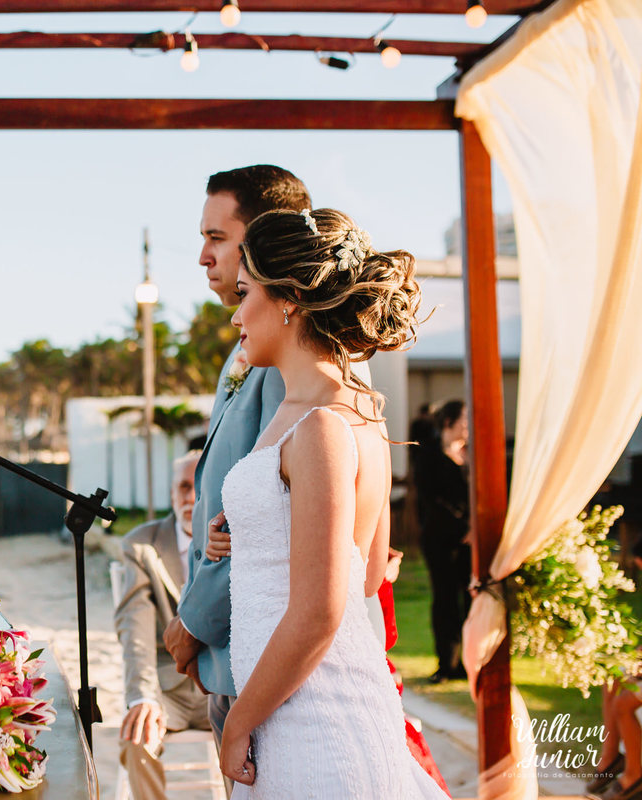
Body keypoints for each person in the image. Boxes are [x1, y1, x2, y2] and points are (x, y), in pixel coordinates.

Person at [206, 208, 447, 798]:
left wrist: (238, 724)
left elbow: (321, 611)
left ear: (287, 298)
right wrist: (251, 530)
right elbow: (364, 573)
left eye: (245, 293)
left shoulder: (318, 426)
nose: (236, 316)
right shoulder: (355, 411)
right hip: (291, 708)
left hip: (315, 722)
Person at [163, 165, 310, 750]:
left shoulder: (289, 363)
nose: (202, 256)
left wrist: (193, 622)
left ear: (266, 241)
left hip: (258, 652)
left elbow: (264, 519)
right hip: (233, 652)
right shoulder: (248, 349)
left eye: (216, 238)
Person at [115, 451, 212, 800]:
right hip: (164, 690)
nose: (189, 497)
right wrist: (142, 696)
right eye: (182, 487)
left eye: (197, 486)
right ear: (171, 492)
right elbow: (134, 626)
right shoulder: (141, 546)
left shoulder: (233, 538)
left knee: (257, 743)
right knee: (135, 738)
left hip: (222, 691)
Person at [414, 399, 472, 683]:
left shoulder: (471, 457)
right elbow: (431, 499)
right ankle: (446, 663)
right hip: (440, 539)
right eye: (464, 419)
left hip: (471, 543)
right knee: (445, 599)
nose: (468, 425)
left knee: (471, 600)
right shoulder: (428, 454)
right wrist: (463, 527)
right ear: (448, 422)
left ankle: (468, 662)